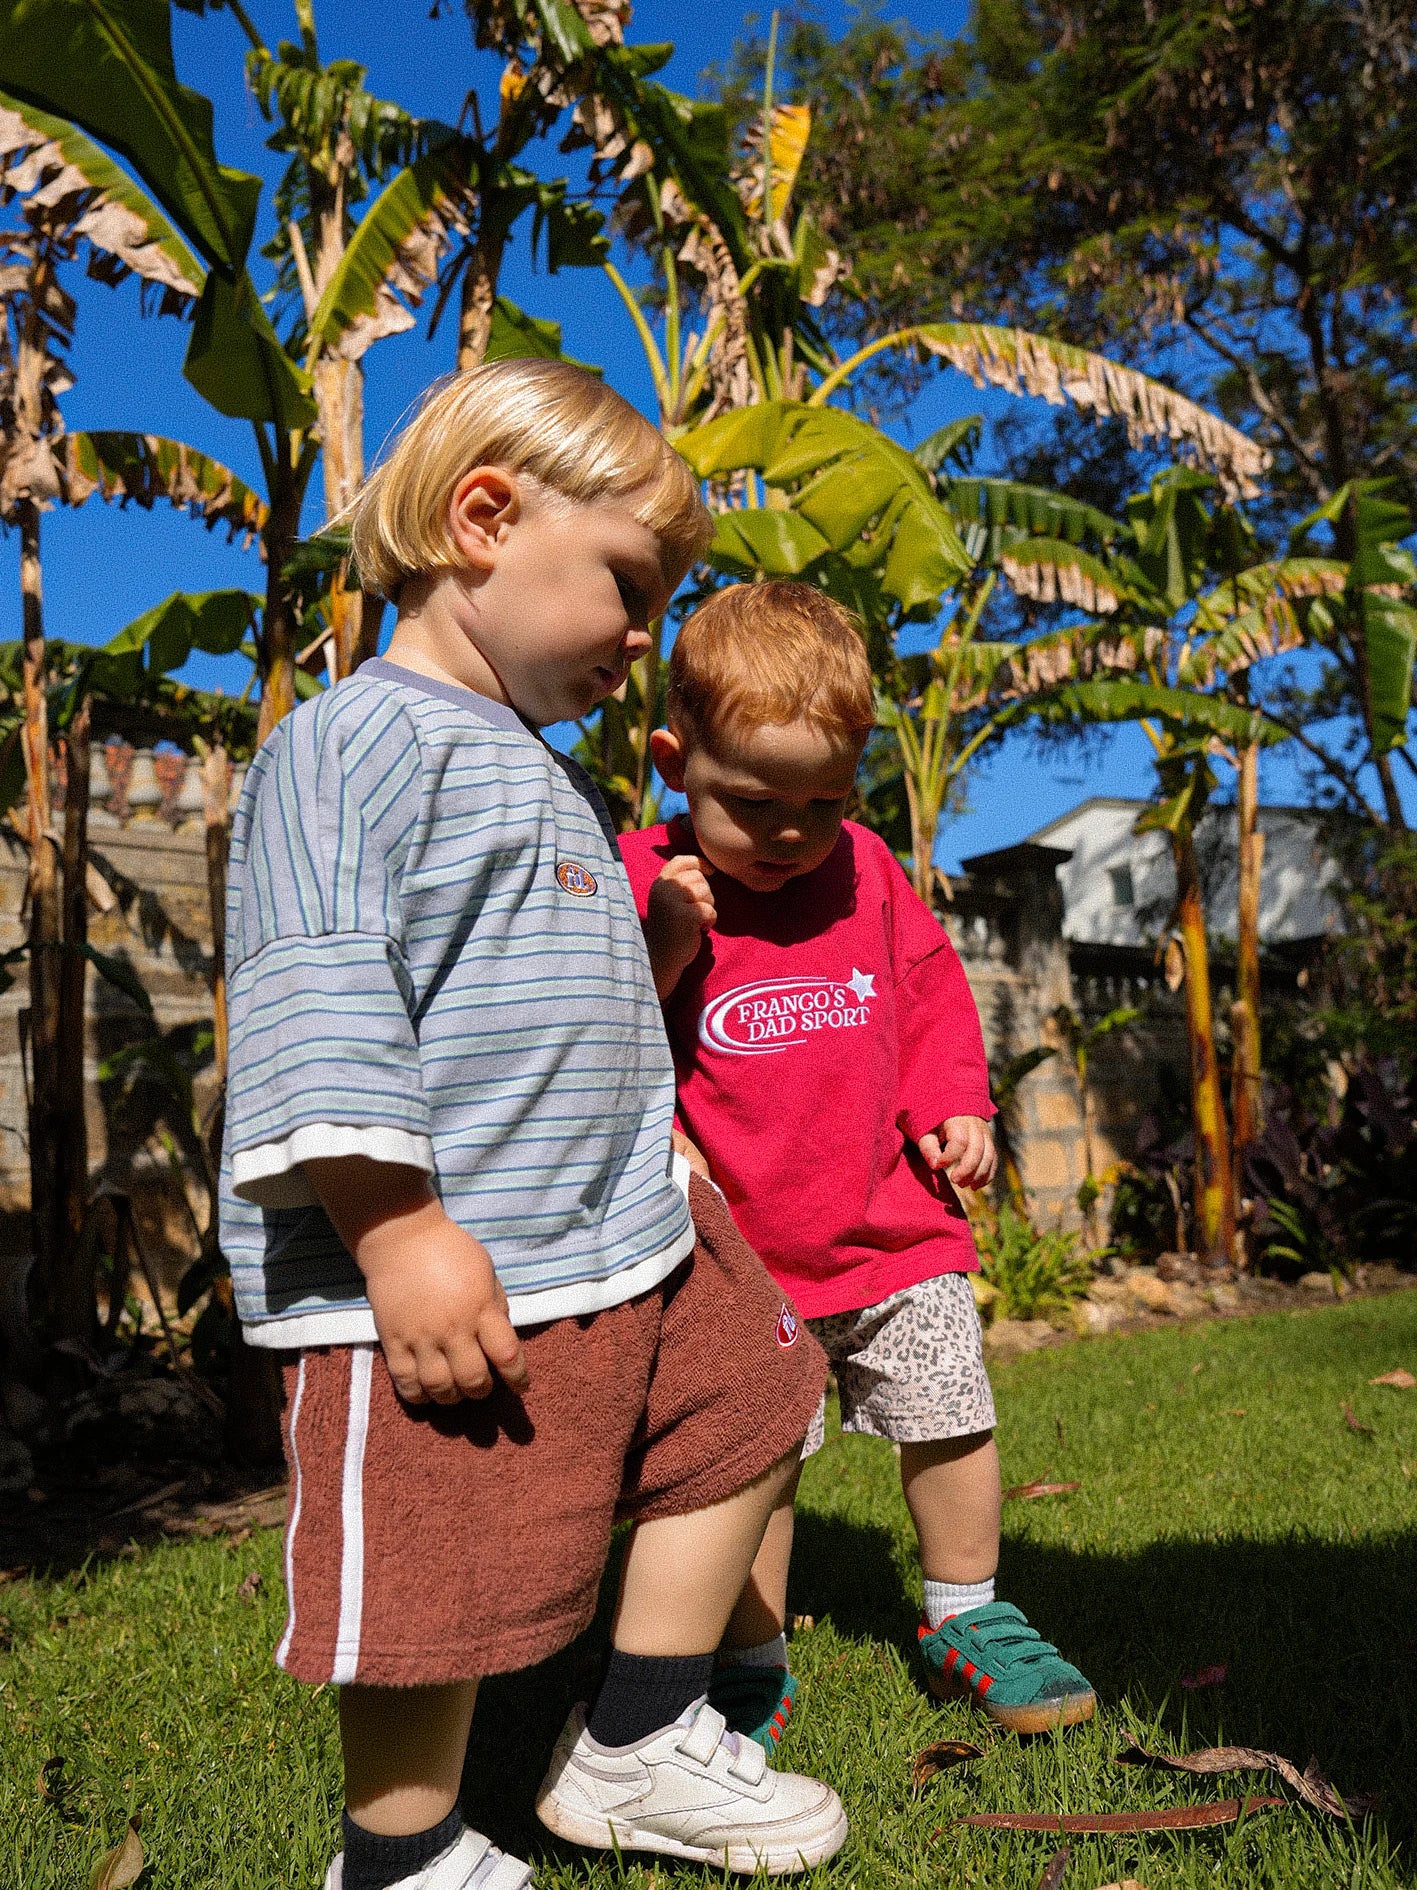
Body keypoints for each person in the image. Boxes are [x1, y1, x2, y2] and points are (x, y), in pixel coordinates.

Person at [219, 365, 849, 1890]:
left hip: (627, 1229)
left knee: (755, 1403)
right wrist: (398, 1233)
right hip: (457, 1256)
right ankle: (402, 1851)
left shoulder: (542, 769)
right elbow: (322, 996)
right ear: (483, 517)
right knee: (438, 1550)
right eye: (630, 588)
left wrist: (663, 978)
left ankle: (635, 1735)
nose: (645, 636)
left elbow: (539, 994)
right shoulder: (354, 741)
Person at [619, 579, 1096, 1755]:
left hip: (892, 1228)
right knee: (748, 1469)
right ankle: (745, 1656)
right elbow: (608, 1035)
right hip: (738, 1261)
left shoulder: (869, 871)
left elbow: (933, 995)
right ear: (675, 761)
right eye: (754, 800)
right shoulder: (640, 876)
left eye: (822, 801)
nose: (789, 831)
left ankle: (966, 1613)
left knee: (952, 1417)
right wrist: (668, 946)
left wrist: (955, 1106)